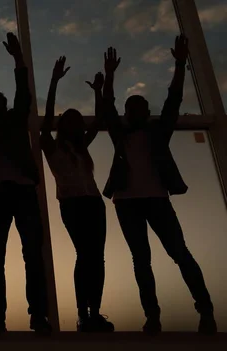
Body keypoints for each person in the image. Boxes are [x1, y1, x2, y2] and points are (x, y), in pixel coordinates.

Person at [102, 36, 216, 335]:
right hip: (127, 201)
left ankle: (205, 310)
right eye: (131, 108)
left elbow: (173, 100)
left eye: (138, 107)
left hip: (155, 199)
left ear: (145, 112)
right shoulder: (122, 135)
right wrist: (110, 77)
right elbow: (107, 107)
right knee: (142, 260)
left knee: (179, 252)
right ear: (128, 113)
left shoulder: (156, 132)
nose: (134, 112)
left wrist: (180, 64)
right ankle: (152, 317)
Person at [0, 32, 51, 333]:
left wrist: (19, 59)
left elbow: (24, 93)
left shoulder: (16, 121)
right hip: (0, 195)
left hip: (18, 192)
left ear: (2, 109)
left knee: (29, 254)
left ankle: (36, 315)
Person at [40, 56, 114, 332]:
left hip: (94, 203)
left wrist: (98, 90)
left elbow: (100, 120)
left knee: (97, 256)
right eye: (71, 121)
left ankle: (94, 312)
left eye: (78, 121)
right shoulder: (51, 146)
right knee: (85, 255)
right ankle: (83, 314)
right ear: (63, 126)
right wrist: (54, 82)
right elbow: (46, 118)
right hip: (72, 205)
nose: (77, 125)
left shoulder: (82, 146)